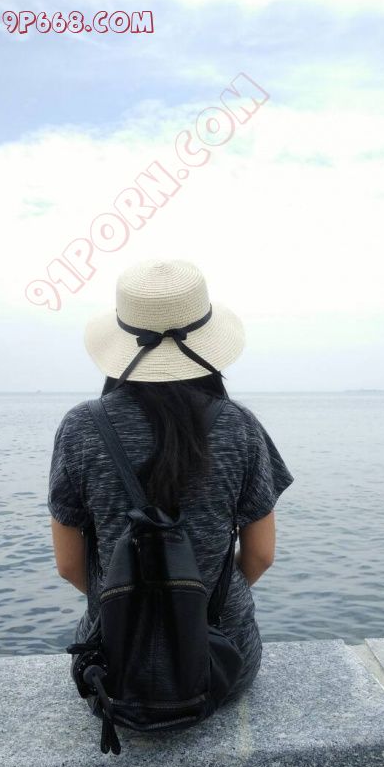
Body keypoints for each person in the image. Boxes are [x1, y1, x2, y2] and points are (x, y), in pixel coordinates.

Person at [47, 258, 294, 713]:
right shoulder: (240, 427)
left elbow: (68, 565)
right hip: (222, 663)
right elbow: (261, 555)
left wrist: (131, 604)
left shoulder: (82, 428)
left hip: (112, 666)